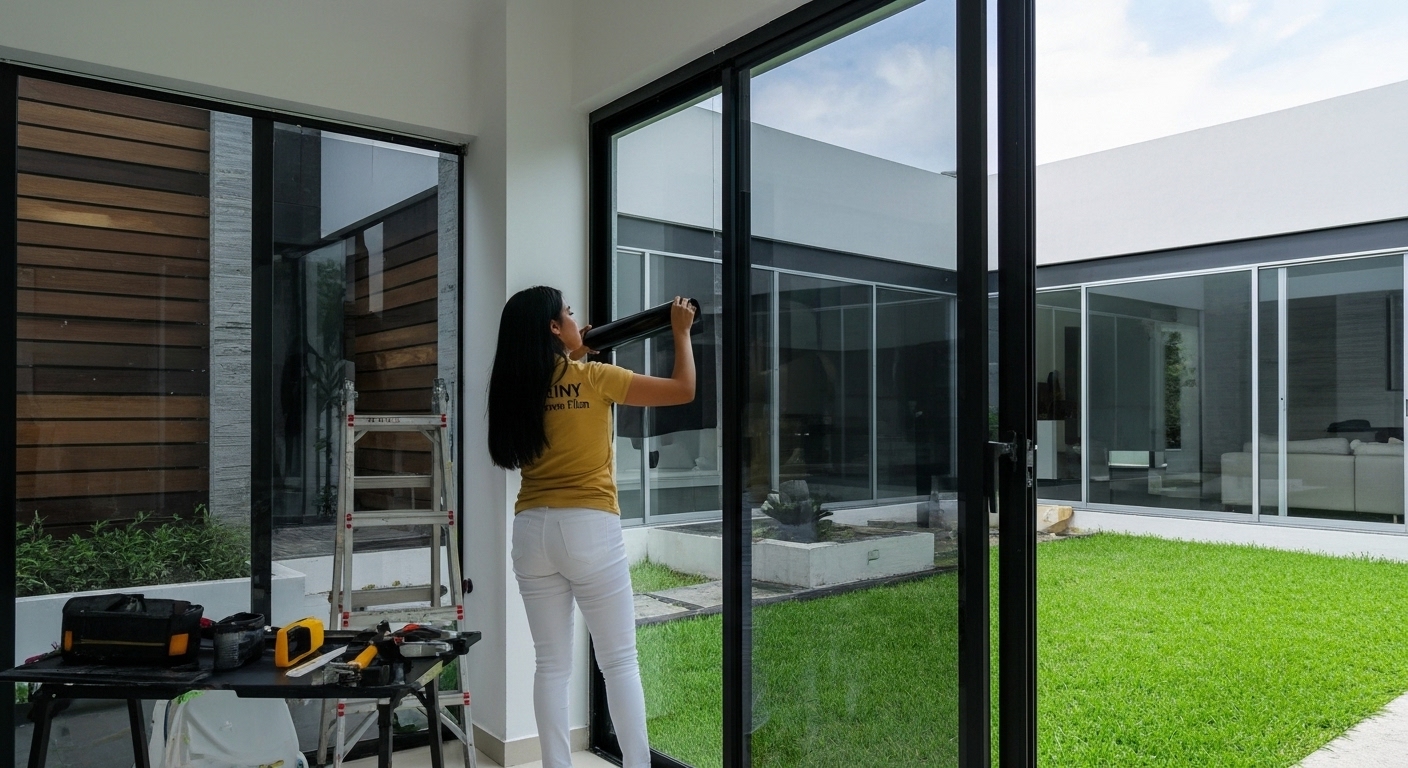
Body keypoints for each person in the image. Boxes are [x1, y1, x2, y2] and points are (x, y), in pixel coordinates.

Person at [487, 286, 696, 768]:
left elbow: (554, 385)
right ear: (553, 329)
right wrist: (680, 333)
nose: (576, 318)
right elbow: (682, 389)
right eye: (568, 313)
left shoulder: (515, 389)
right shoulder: (595, 378)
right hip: (587, 527)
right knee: (619, 662)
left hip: (531, 532)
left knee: (551, 667)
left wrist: (574, 349)